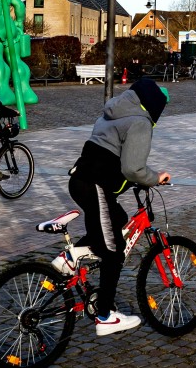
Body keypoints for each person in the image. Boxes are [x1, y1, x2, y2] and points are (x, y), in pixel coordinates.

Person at [53, 77, 172, 336]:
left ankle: (70, 258)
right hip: (96, 186)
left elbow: (114, 156)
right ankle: (105, 315)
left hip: (80, 180)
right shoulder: (141, 123)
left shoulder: (113, 112)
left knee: (116, 219)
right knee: (114, 251)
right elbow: (132, 168)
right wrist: (155, 177)